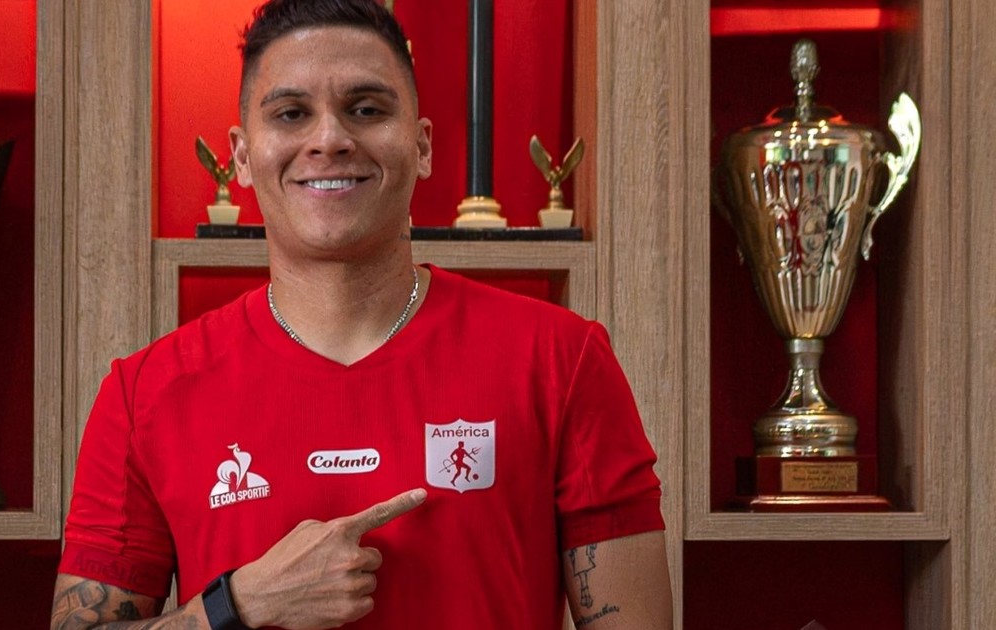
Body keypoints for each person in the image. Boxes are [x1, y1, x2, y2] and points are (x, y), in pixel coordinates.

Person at [50, 0, 672, 628]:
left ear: (422, 146)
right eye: (291, 113)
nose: (330, 139)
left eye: (367, 109)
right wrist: (238, 605)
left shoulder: (562, 360)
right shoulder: (144, 394)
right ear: (241, 156)